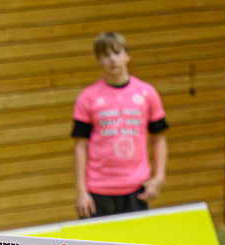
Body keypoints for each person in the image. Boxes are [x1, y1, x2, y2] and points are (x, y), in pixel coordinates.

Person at [71, 31, 169, 218]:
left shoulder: (147, 93)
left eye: (117, 53)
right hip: (98, 190)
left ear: (127, 55)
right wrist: (81, 192)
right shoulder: (88, 97)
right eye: (106, 55)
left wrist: (159, 177)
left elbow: (159, 137)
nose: (112, 60)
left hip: (136, 188)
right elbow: (80, 146)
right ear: (98, 60)